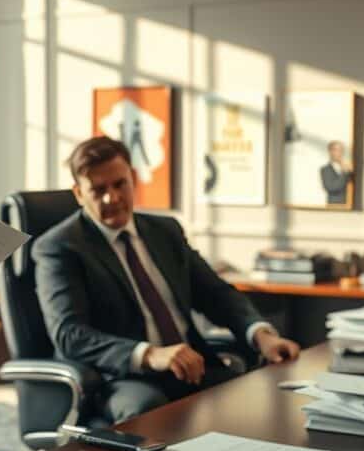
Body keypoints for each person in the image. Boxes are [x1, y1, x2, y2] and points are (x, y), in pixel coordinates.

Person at [33, 136, 300, 423]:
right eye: (98, 190)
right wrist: (149, 354)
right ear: (78, 194)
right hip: (120, 376)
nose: (112, 198)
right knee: (151, 410)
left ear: (132, 179)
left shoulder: (164, 231)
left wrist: (261, 335)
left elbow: (215, 293)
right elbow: (69, 334)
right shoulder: (60, 247)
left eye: (120, 184)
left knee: (260, 396)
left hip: (190, 365)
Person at [320, 140, 352, 205]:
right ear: (330, 152)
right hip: (335, 205)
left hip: (349, 205)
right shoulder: (325, 169)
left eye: (341, 150)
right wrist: (344, 173)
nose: (339, 153)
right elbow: (331, 188)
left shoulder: (348, 168)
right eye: (336, 150)